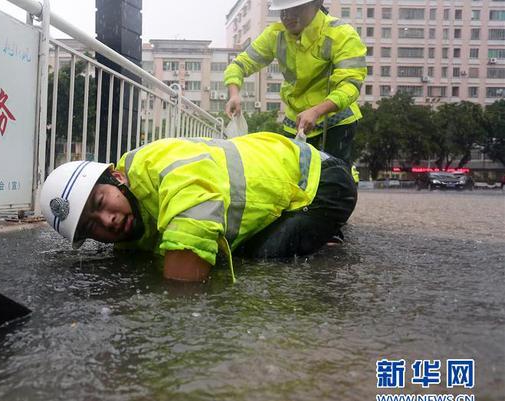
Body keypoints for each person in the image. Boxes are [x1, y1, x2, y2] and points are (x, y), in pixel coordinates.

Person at [40, 133, 357, 282]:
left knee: (255, 258)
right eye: (90, 226)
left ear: (118, 176)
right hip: (289, 172)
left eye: (100, 202)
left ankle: (328, 236)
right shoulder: (130, 226)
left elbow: (192, 236)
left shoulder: (162, 165)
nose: (106, 221)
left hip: (321, 180)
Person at [224, 0, 367, 164]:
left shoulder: (340, 34)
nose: (287, 16)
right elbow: (240, 64)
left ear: (317, 3)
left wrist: (316, 111)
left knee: (333, 179)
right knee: (293, 177)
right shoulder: (275, 35)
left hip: (335, 120)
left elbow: (350, 83)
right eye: (282, 10)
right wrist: (234, 94)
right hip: (296, 120)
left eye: (295, 8)